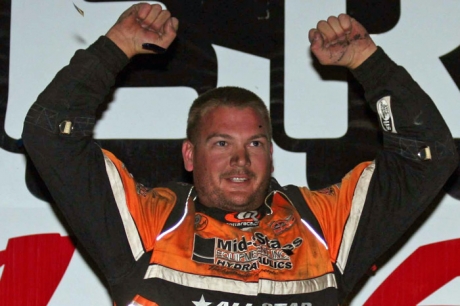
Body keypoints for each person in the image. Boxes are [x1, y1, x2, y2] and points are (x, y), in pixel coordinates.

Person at [22, 3, 458, 306]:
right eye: (221, 143)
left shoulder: (323, 224)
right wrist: (115, 44)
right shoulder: (148, 222)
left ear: (271, 154)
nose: (240, 159)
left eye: (255, 143)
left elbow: (427, 156)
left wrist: (368, 59)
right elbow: (51, 134)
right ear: (189, 155)